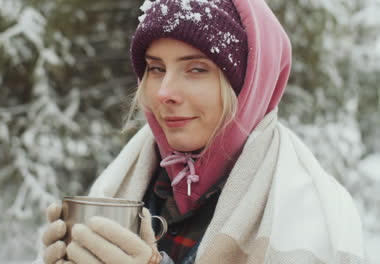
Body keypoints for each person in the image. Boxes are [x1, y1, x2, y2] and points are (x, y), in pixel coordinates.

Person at [41, 0, 365, 263]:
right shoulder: (121, 184)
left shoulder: (314, 219)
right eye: (156, 68)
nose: (164, 92)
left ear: (248, 85)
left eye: (196, 69)